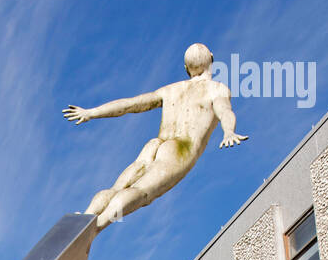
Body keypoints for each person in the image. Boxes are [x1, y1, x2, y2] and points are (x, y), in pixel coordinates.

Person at [63, 43, 247, 230]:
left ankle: (87, 215)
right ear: (211, 59)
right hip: (180, 149)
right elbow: (224, 110)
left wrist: (92, 112)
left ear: (186, 68)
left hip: (155, 143)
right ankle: (95, 228)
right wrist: (229, 131)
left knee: (115, 189)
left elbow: (130, 104)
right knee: (141, 191)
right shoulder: (217, 89)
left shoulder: (170, 90)